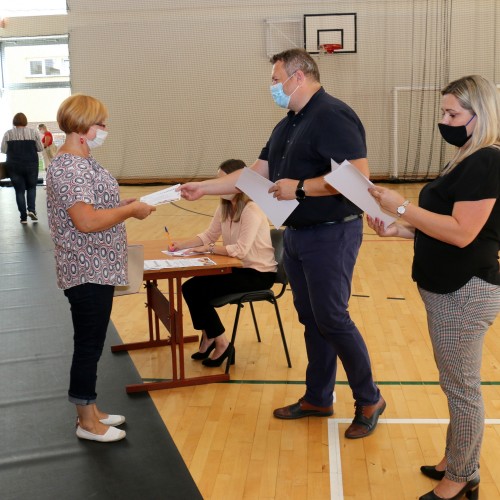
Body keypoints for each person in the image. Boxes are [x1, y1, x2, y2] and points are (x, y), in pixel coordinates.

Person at [180, 48, 385, 438]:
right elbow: (253, 176)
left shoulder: (333, 115)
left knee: (333, 319)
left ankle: (370, 397)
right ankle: (319, 397)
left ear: (300, 76)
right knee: (312, 320)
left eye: (276, 79)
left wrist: (303, 189)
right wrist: (204, 187)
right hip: (297, 235)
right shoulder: (288, 124)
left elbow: (358, 178)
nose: (272, 86)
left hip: (332, 233)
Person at [367, 75, 500, 500]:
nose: (444, 120)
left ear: (482, 115)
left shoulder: (487, 161)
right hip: (446, 288)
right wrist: (399, 229)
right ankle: (455, 456)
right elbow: (441, 227)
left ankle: (461, 478)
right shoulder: (467, 155)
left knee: (462, 388)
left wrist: (401, 204)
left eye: (453, 114)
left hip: (465, 290)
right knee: (453, 382)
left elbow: (462, 234)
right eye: (443, 112)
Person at [46, 94, 156, 443]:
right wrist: (129, 211)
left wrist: (119, 203)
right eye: (100, 124)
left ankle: (91, 409)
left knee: (91, 342)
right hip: (86, 268)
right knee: (88, 345)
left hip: (99, 266)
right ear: (81, 127)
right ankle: (86, 421)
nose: (105, 130)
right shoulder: (71, 166)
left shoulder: (84, 160)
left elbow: (94, 205)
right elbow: (87, 221)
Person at [171, 159, 277, 367]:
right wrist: (181, 245)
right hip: (238, 268)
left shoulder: (251, 210)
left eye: (224, 181)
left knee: (196, 290)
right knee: (191, 288)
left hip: (258, 274)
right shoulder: (225, 208)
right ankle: (210, 336)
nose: (220, 187)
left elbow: (240, 250)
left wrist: (210, 249)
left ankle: (221, 343)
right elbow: (209, 235)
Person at [1, 113, 43, 223]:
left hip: (14, 165)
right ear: (25, 121)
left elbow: (3, 150)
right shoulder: (34, 132)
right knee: (31, 187)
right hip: (31, 164)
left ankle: (23, 217)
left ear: (14, 121)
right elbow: (40, 148)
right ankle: (32, 210)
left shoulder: (8, 133)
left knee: (19, 191)